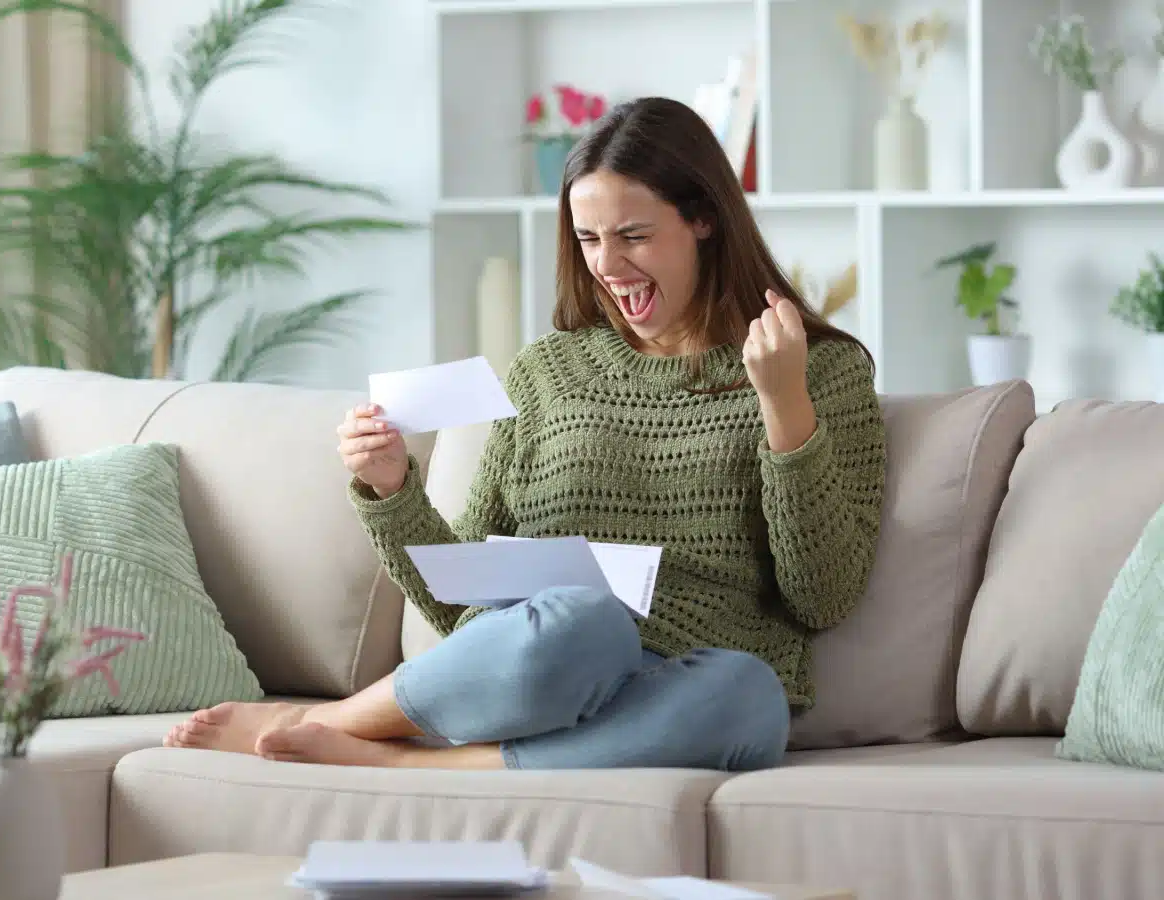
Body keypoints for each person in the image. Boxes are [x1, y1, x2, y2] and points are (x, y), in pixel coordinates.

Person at [162, 96, 887, 772]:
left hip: (679, 684)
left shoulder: (821, 371)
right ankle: (347, 719)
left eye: (634, 236)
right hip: (551, 653)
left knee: (753, 698)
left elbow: (822, 597)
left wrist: (784, 405)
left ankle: (408, 762)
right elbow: (457, 605)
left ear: (703, 219)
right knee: (588, 620)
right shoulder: (548, 371)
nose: (607, 266)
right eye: (589, 239)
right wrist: (389, 488)